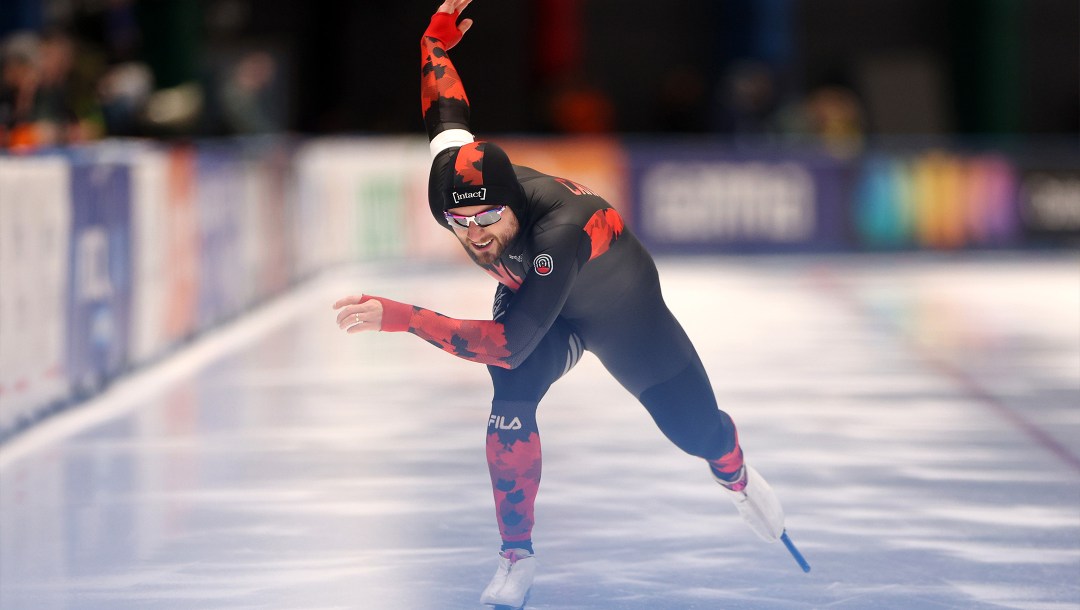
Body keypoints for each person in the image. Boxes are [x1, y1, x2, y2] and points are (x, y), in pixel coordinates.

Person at [333, 1, 787, 606]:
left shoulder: (560, 230)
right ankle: (516, 559)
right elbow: (446, 111)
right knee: (510, 400)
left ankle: (733, 470)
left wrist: (405, 317)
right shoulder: (460, 177)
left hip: (625, 319)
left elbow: (506, 341)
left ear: (515, 202)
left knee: (696, 433)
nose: (476, 233)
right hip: (537, 304)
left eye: (490, 216)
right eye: (458, 221)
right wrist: (433, 47)